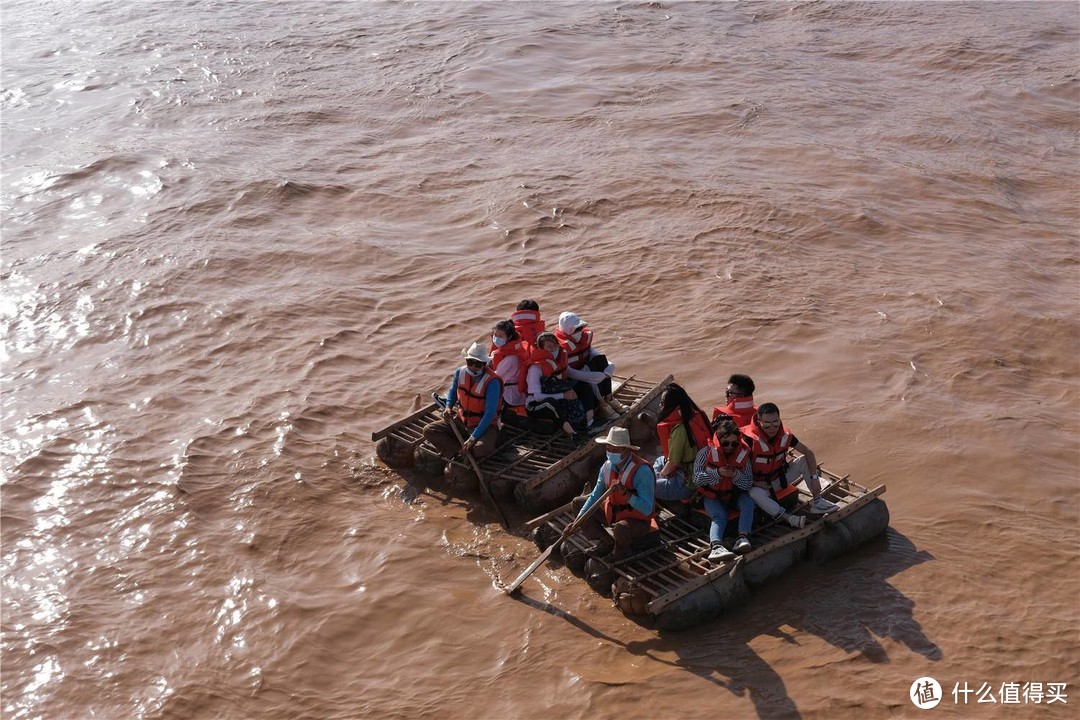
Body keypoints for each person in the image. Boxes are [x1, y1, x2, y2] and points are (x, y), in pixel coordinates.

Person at [571, 426, 657, 561]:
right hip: (613, 513)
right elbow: (595, 495)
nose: (611, 454)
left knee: (620, 529)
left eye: (615, 450)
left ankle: (618, 554)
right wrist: (578, 520)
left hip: (637, 520)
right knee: (578, 503)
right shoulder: (607, 466)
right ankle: (606, 541)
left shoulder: (642, 471)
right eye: (608, 450)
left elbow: (647, 509)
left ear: (626, 450)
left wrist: (625, 493)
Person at [744, 402, 839, 516]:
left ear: (779, 420)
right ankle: (786, 517)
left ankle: (817, 501)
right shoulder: (748, 440)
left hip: (780, 479)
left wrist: (814, 478)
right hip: (761, 486)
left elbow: (808, 452)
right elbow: (737, 470)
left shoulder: (785, 435)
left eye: (775, 423)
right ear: (759, 423)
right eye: (767, 424)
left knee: (804, 460)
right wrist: (755, 483)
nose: (772, 428)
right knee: (753, 493)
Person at [691, 416, 762, 561]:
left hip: (733, 494)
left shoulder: (743, 454)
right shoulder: (705, 453)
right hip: (712, 496)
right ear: (718, 440)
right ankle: (716, 547)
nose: (730, 447)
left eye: (734, 444)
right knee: (719, 516)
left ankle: (743, 537)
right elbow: (697, 478)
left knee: (748, 503)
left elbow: (748, 483)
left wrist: (736, 475)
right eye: (725, 443)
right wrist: (717, 473)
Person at [422, 342, 502, 460]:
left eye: (477, 364)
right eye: (470, 363)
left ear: (484, 364)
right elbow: (453, 391)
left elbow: (490, 413)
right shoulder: (460, 373)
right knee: (429, 430)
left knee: (480, 449)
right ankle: (459, 452)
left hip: (485, 426)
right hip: (462, 421)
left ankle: (470, 448)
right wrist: (448, 407)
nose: (473, 367)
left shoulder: (492, 382)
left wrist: (474, 437)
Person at [554, 311, 628, 426]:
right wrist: (594, 376)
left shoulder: (583, 340)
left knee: (601, 360)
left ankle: (609, 398)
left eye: (580, 328)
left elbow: (595, 354)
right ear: (567, 330)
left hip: (587, 371)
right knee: (589, 370)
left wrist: (609, 367)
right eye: (575, 329)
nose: (579, 332)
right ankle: (602, 404)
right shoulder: (560, 348)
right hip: (573, 379)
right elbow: (569, 372)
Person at [524, 331, 588, 445]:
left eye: (555, 346)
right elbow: (537, 397)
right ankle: (573, 434)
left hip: (556, 394)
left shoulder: (559, 361)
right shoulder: (535, 369)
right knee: (551, 403)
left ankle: (590, 420)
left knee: (582, 386)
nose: (553, 349)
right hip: (535, 404)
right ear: (541, 349)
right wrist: (563, 395)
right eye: (549, 347)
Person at [652, 383, 713, 502]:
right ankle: (656, 477)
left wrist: (663, 474)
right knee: (659, 460)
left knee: (643, 486)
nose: (660, 405)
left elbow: (673, 463)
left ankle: (656, 480)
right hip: (700, 469)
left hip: (686, 484)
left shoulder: (680, 430)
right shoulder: (697, 415)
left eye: (663, 403)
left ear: (675, 406)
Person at [489, 319, 529, 426]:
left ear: (509, 337)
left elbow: (495, 377)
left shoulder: (511, 358)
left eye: (501, 336)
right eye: (495, 335)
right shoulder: (505, 352)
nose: (496, 338)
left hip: (510, 396)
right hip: (509, 391)